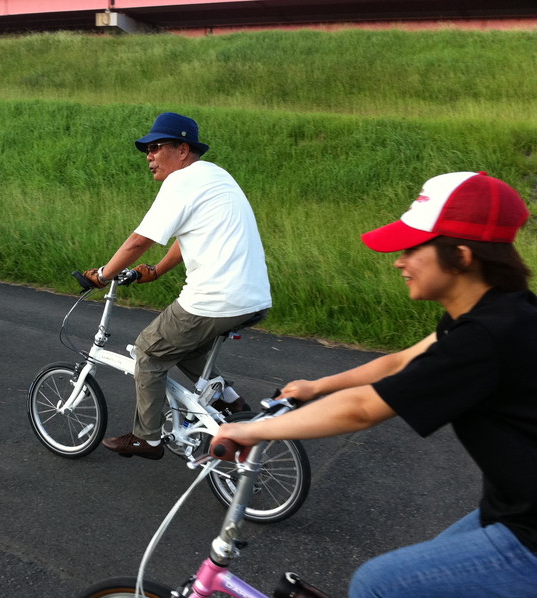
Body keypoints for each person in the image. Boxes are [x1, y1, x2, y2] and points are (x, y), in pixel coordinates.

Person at [211, 171, 537, 597]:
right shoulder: (496, 311)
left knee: (379, 584)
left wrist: (249, 430)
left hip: (527, 529)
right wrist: (317, 385)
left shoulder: (486, 336)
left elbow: (363, 409)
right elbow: (400, 361)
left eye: (412, 249)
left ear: (461, 255)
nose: (399, 261)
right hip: (512, 507)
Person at [82, 112, 272, 461]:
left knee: (149, 351)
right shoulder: (215, 176)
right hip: (254, 298)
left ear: (183, 149)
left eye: (156, 147)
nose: (149, 156)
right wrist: (155, 271)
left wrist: (103, 274)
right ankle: (230, 402)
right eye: (147, 150)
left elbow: (139, 240)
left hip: (216, 298)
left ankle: (147, 438)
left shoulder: (181, 181)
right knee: (185, 346)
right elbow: (188, 238)